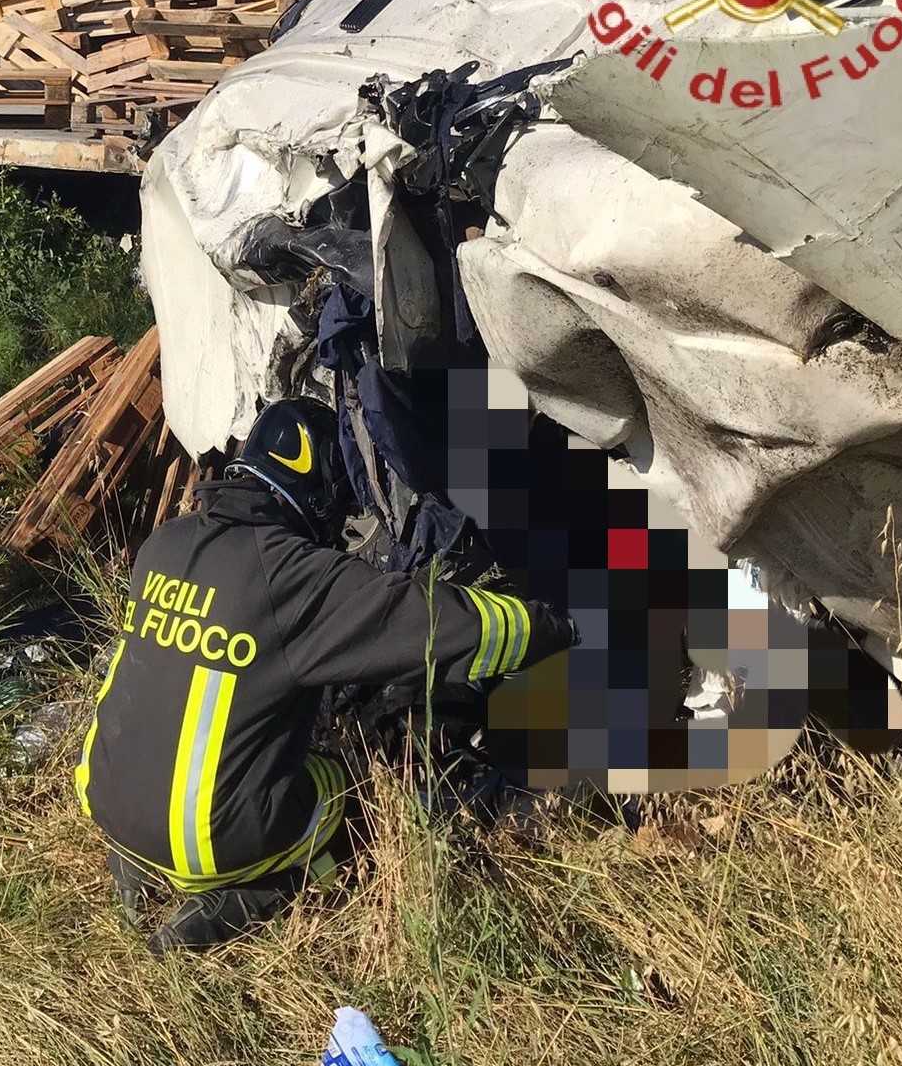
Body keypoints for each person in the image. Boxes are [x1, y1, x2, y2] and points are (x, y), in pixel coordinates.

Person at [75, 397, 578, 951]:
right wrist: (550, 626)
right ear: (317, 491)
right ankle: (248, 900)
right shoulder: (293, 574)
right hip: (206, 840)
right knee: (356, 796)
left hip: (104, 795)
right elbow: (439, 626)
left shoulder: (164, 545)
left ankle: (135, 863)